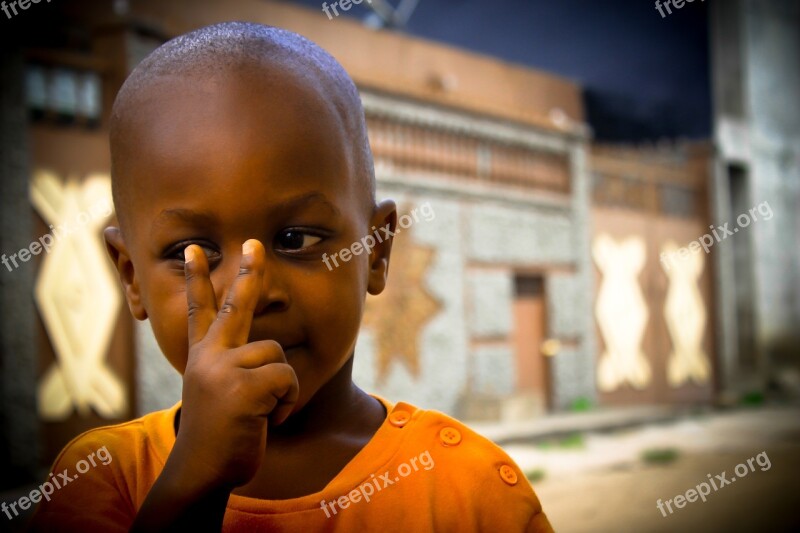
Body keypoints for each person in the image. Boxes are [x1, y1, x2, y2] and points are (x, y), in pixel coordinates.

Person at [30, 21, 552, 532]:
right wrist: (194, 484)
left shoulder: (468, 492)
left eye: (296, 239)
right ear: (132, 276)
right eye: (193, 251)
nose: (250, 293)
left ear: (376, 252)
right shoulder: (104, 480)